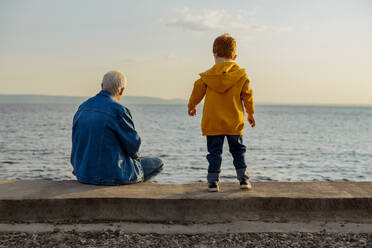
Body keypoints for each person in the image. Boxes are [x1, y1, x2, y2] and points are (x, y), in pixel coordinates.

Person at [188, 34, 256, 192]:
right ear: (235, 55)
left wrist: (192, 106)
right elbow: (247, 95)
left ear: (214, 54)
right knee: (238, 150)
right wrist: (250, 113)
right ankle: (244, 180)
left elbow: (197, 90)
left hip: (213, 121)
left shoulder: (208, 76)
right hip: (234, 121)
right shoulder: (241, 76)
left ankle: (213, 182)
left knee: (214, 153)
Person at [70, 70, 163, 185]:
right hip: (111, 176)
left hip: (83, 174)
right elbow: (134, 148)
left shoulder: (82, 108)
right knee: (158, 163)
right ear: (122, 90)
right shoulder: (118, 111)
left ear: (101, 86)